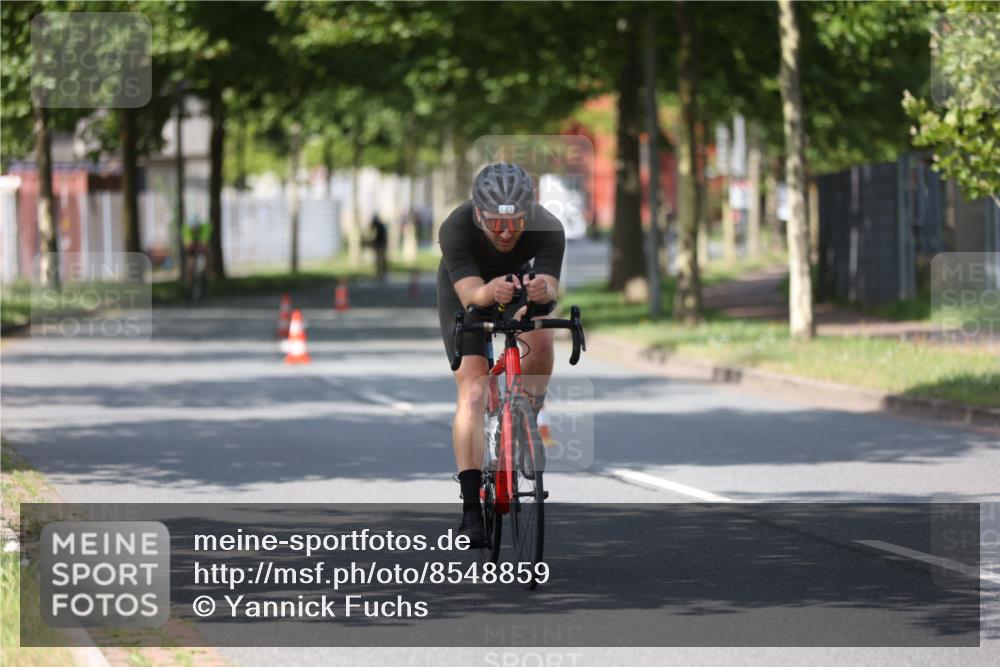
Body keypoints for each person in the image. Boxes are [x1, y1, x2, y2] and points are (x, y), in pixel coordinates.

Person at [436, 163, 565, 545]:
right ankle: (471, 507)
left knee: (541, 341)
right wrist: (490, 292)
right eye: (495, 224)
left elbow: (552, 290)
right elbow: (473, 297)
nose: (507, 233)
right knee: (474, 391)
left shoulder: (549, 227)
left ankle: (527, 417)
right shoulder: (455, 227)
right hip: (469, 289)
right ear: (479, 214)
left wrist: (543, 292)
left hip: (519, 285)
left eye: (516, 223)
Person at [369, 214, 388, 282]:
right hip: (381, 245)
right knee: (380, 259)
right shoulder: (380, 226)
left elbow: (379, 237)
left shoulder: (379, 226)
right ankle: (381, 273)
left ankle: (381, 274)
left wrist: (374, 243)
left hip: (381, 245)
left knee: (380, 259)